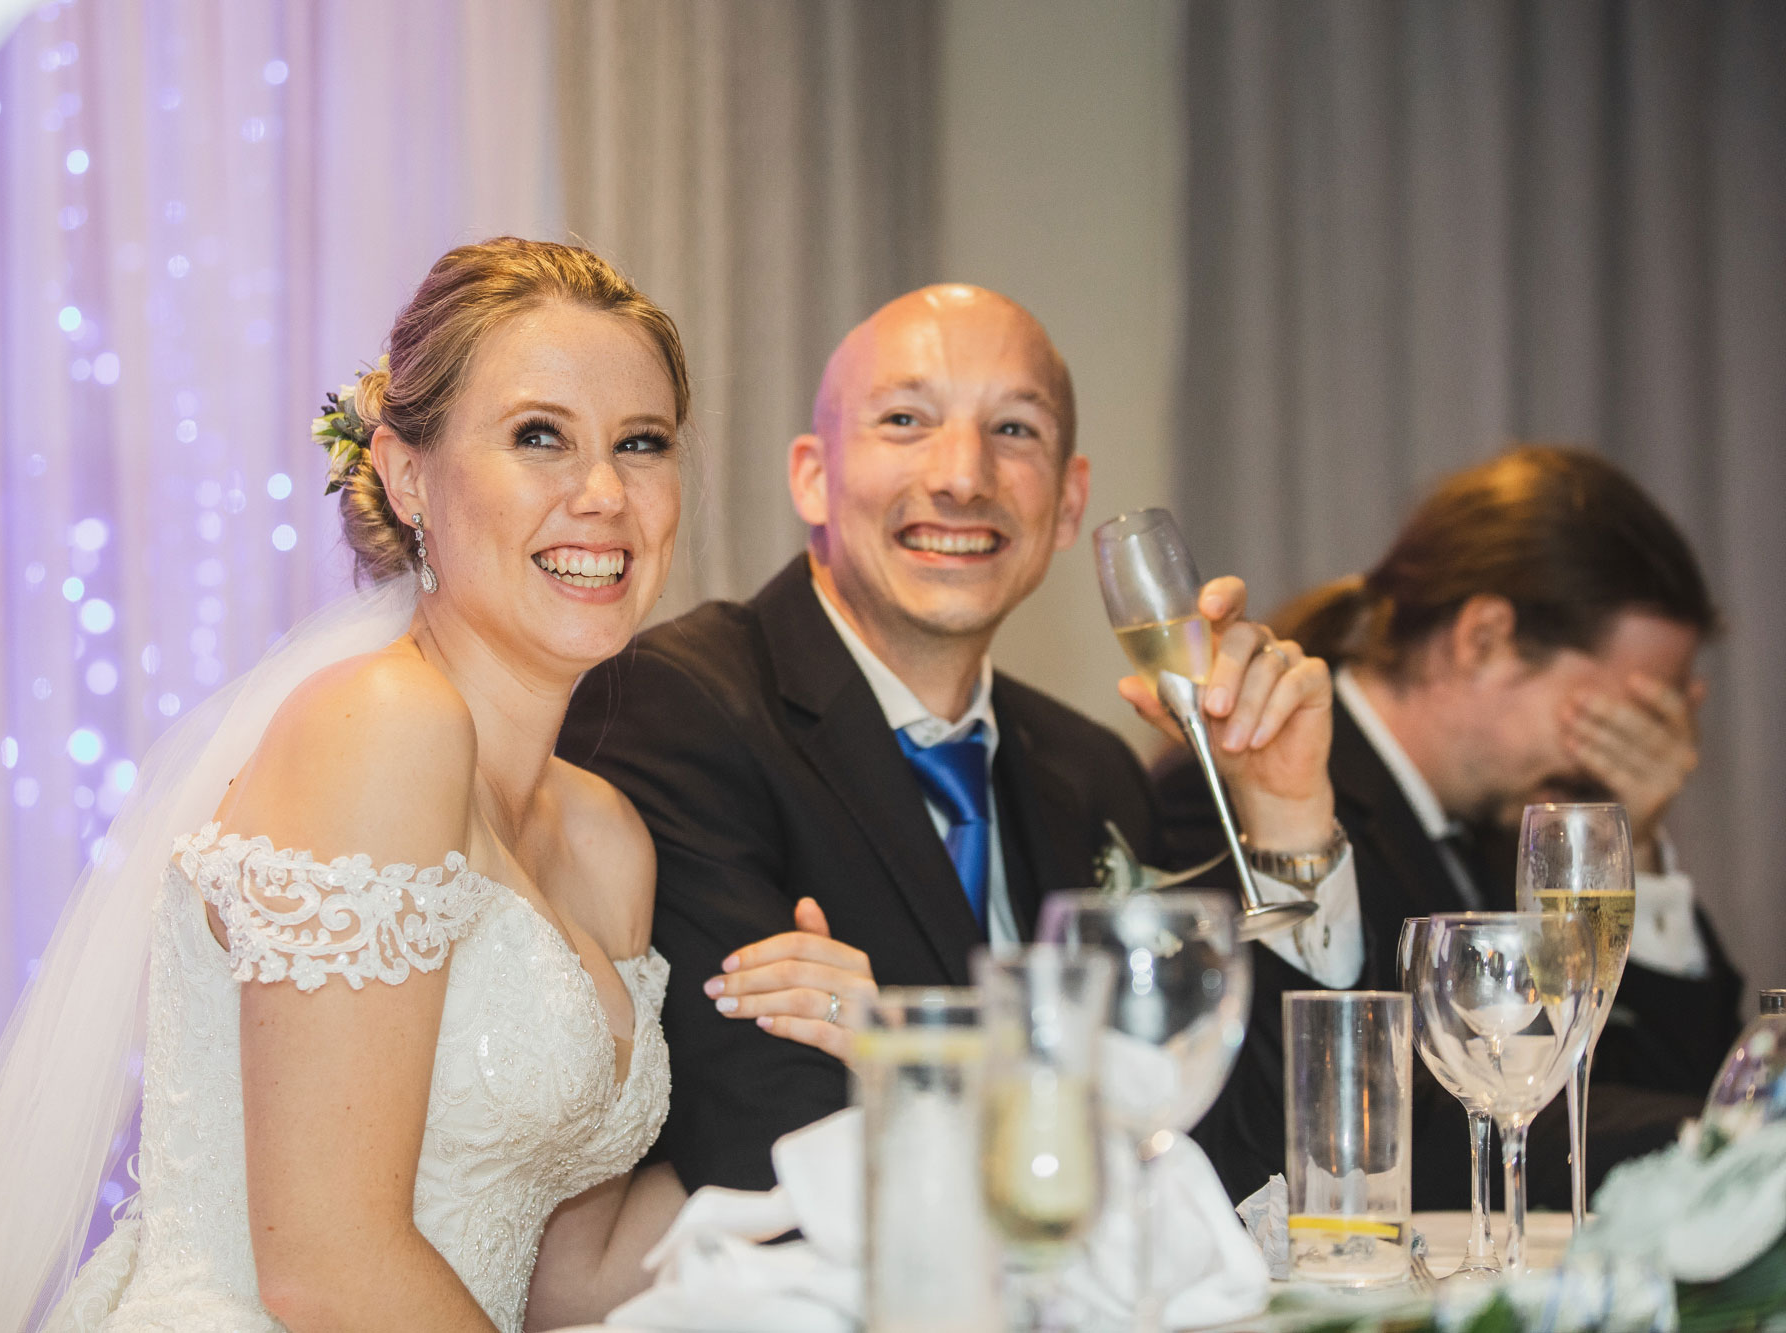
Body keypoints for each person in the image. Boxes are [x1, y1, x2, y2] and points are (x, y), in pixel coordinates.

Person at [0, 239, 869, 1333]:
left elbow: (567, 1279)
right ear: (407, 475)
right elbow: (325, 1263)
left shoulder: (605, 837)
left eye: (641, 444)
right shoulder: (378, 726)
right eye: (539, 436)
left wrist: (855, 1075)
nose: (602, 493)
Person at [556, 283, 1363, 1194]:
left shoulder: (1091, 769)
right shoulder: (674, 707)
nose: (963, 477)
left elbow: (1249, 1157)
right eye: (906, 419)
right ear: (813, 476)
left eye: (1014, 431)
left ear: (1068, 500)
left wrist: (1289, 815)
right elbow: (768, 1147)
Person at [1174, 444, 1744, 1206]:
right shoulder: (1238, 791)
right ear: (1485, 637)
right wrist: (1722, 1134)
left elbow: (1610, 1091)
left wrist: (1623, 846)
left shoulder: (1501, 827)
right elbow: (1371, 1145)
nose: (1643, 749)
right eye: (1626, 712)